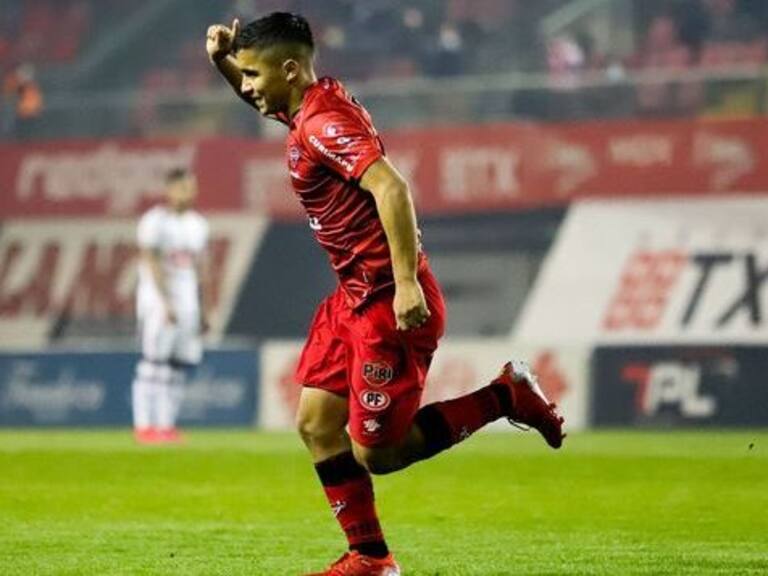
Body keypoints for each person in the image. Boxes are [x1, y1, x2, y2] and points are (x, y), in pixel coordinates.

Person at [207, 13, 564, 575]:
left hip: (383, 303)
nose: (246, 85)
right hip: (350, 298)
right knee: (316, 425)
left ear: (291, 67)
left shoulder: (323, 123)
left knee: (379, 453)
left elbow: (391, 187)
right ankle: (370, 559)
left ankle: (506, 396)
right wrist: (222, 63)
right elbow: (263, 99)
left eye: (252, 73)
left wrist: (404, 285)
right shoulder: (304, 106)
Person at [132, 168, 211, 444]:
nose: (191, 193)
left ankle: (166, 425)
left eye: (193, 187)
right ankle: (144, 426)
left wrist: (203, 309)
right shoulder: (154, 222)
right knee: (153, 363)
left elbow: (200, 269)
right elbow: (150, 261)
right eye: (185, 187)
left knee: (178, 365)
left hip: (188, 302)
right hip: (157, 301)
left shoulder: (198, 224)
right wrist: (165, 302)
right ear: (170, 189)